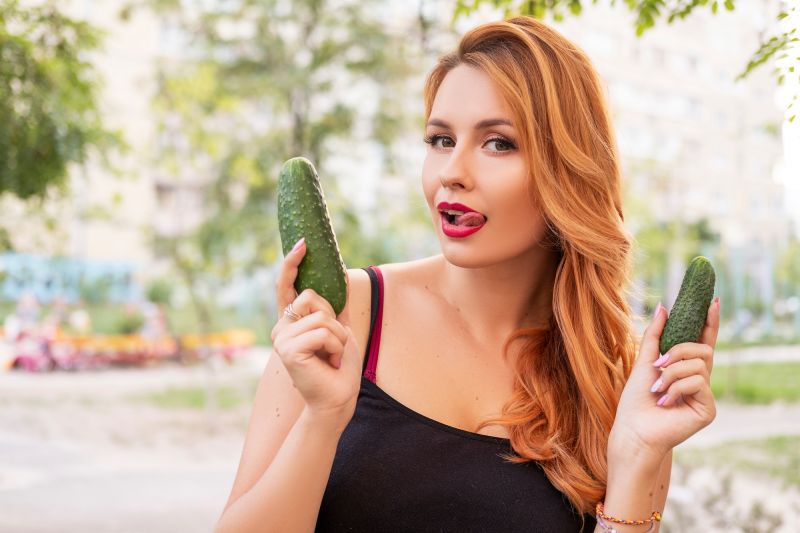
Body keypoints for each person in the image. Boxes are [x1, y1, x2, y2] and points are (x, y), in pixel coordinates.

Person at [216, 16, 719, 533]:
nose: (452, 172)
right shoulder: (341, 314)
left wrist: (637, 453)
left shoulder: (613, 380)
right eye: (439, 140)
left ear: (567, 171)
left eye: (498, 143)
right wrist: (323, 419)